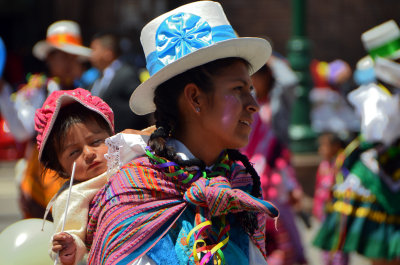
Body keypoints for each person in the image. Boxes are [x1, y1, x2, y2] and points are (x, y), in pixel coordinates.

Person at [86, 1, 279, 264]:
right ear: (195, 98)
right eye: (237, 89)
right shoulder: (131, 195)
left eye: (251, 90)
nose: (253, 105)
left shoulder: (239, 184)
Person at [313, 20, 400, 265]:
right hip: (378, 175)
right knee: (382, 245)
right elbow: (376, 132)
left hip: (392, 169)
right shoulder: (373, 95)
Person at [36, 88, 152, 265]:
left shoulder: (127, 149)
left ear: (111, 136)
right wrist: (68, 247)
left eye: (96, 142)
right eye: (74, 152)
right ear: (60, 168)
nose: (89, 153)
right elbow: (71, 235)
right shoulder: (72, 196)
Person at [0, 20, 92, 219]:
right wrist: (4, 94)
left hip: (81, 171)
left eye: (73, 56)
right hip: (44, 176)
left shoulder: (88, 90)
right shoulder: (36, 91)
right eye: (63, 56)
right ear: (49, 59)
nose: (69, 62)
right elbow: (21, 131)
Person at [243, 57, 307, 265]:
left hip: (274, 171)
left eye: (256, 77)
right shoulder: (247, 101)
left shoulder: (279, 100)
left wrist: (269, 56)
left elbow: (289, 81)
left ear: (267, 76)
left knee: (282, 222)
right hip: (248, 171)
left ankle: (296, 257)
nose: (253, 81)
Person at [89, 32, 153, 132]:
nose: (91, 54)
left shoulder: (126, 74)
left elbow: (140, 108)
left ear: (108, 53)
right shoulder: (96, 80)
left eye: (94, 50)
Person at [313, 132, 349, 265]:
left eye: (324, 146)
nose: (320, 150)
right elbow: (318, 188)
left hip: (337, 214)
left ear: (336, 147)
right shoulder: (323, 166)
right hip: (324, 213)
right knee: (325, 244)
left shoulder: (341, 166)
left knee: (338, 246)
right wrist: (316, 208)